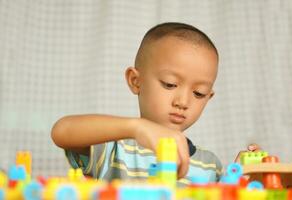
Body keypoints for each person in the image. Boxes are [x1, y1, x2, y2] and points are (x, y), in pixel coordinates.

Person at [51, 22, 239, 185]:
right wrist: (136, 127)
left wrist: (247, 177)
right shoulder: (113, 149)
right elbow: (62, 131)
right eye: (169, 84)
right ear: (135, 81)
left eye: (199, 93)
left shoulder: (210, 165)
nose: (183, 102)